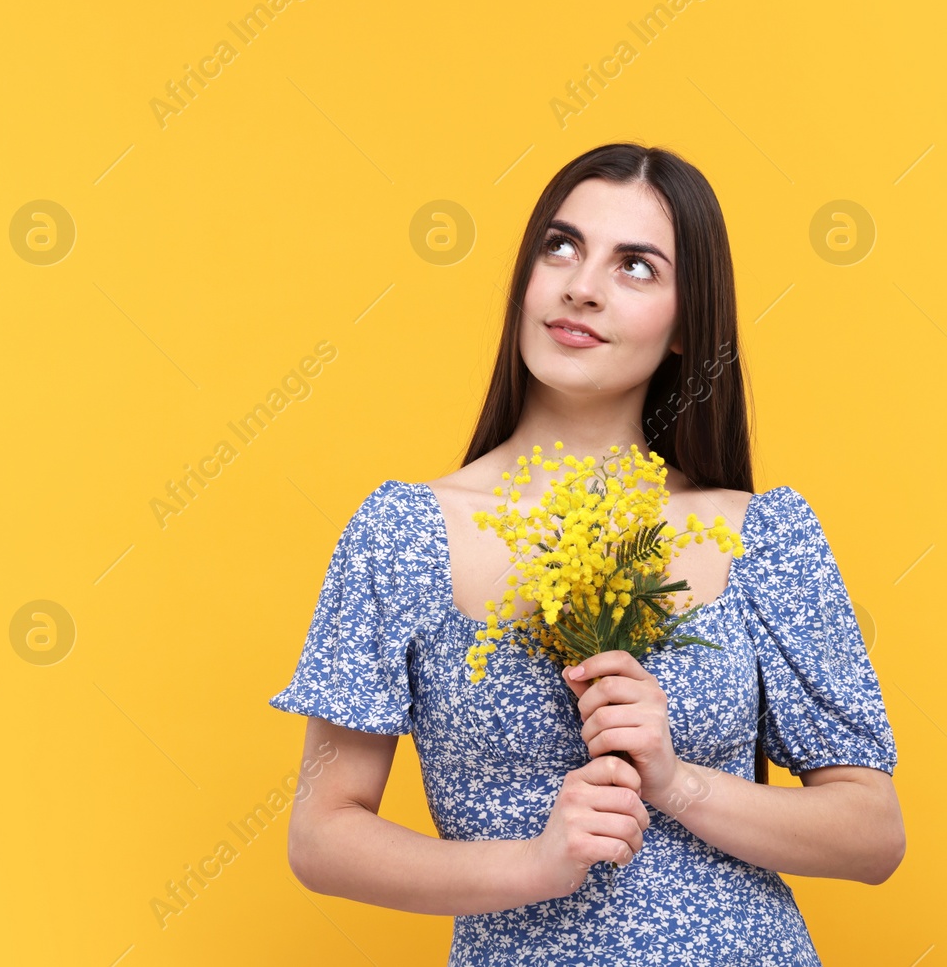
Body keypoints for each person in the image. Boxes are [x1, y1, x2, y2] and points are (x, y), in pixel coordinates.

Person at [267, 143, 904, 964]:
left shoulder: (762, 536)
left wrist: (677, 781)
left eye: (636, 266)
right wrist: (532, 863)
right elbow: (322, 834)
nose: (581, 284)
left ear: (685, 328)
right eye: (560, 246)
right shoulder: (401, 535)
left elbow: (872, 834)